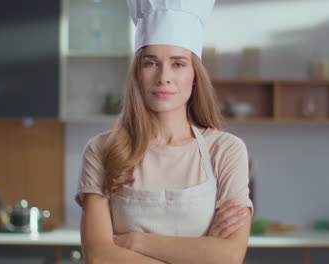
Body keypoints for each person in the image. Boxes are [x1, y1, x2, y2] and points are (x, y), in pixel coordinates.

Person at [75, 0, 253, 263]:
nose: (163, 77)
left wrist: (135, 241)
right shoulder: (102, 150)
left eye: (178, 64)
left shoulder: (225, 150)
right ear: (137, 73)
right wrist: (201, 251)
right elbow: (100, 257)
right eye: (151, 63)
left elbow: (229, 256)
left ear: (195, 74)